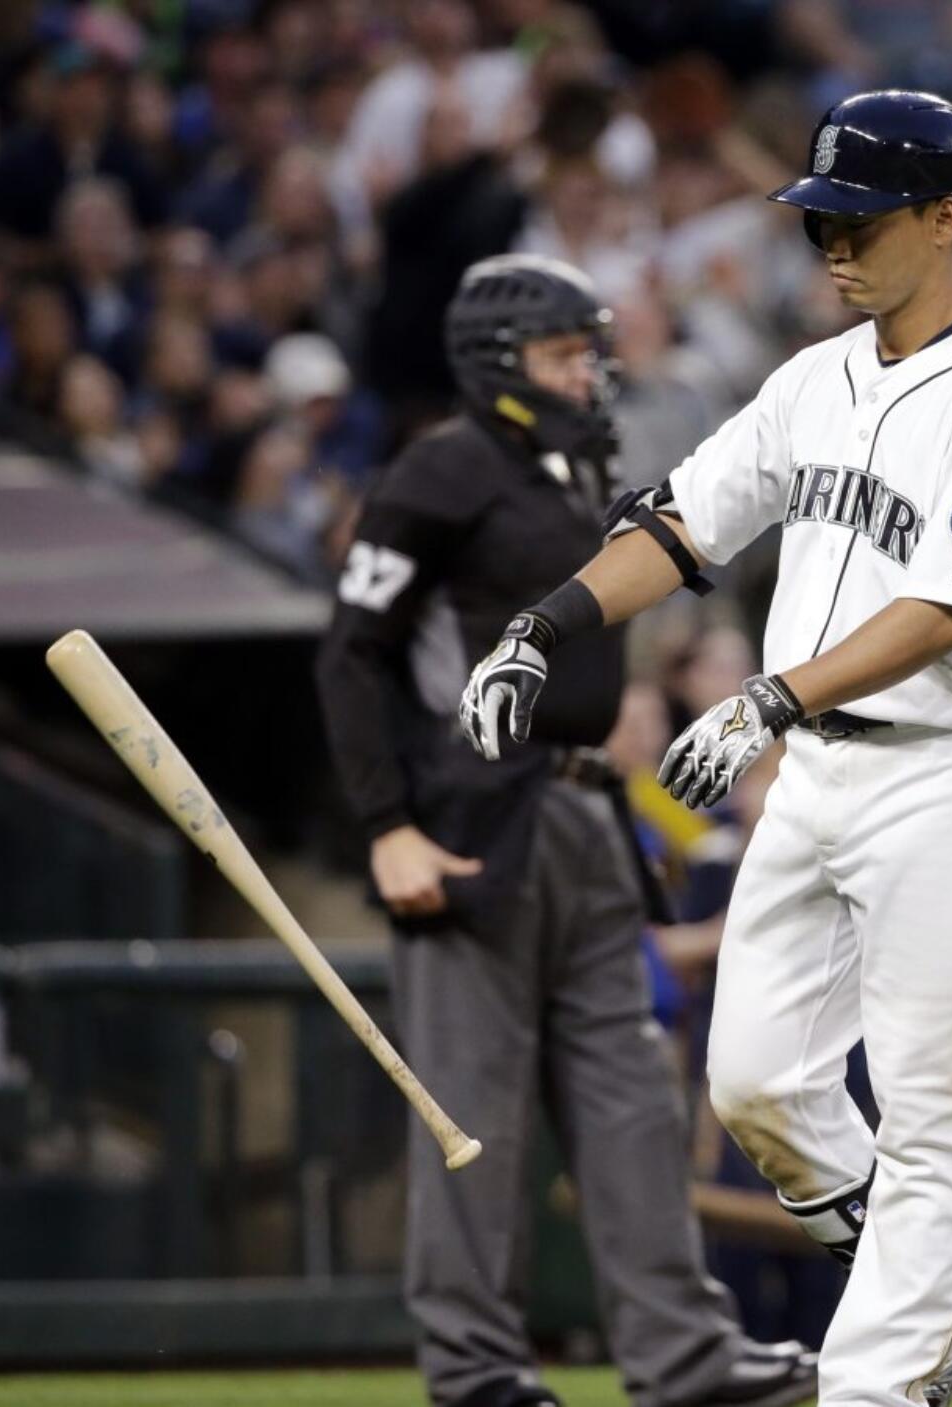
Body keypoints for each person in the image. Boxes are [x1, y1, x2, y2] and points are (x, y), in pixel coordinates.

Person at [461, 94, 952, 1407]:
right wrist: (544, 622)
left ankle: (873, 1379)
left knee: (923, 1116)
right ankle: (948, 1294)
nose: (832, 249)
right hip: (817, 770)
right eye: (819, 225)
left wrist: (771, 693)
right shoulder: (810, 377)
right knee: (754, 1081)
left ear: (940, 216)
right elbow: (682, 524)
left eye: (858, 223)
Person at [316, 253, 818, 1407]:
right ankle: (477, 1369)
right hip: (473, 818)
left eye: (589, 350)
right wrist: (386, 823)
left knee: (633, 1101)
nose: (586, 371)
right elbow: (350, 652)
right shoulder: (439, 469)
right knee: (471, 1109)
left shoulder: (575, 462)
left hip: (592, 810)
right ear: (498, 364)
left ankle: (681, 1357)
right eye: (561, 353)